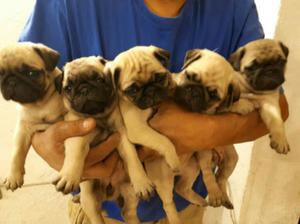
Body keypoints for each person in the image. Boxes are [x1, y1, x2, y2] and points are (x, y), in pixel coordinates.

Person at [20, 0, 289, 223]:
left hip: (186, 206)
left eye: (159, 80)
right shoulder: (66, 5)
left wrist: (197, 132)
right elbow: (27, 88)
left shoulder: (235, 7)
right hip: (101, 207)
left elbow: (277, 104)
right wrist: (43, 140)